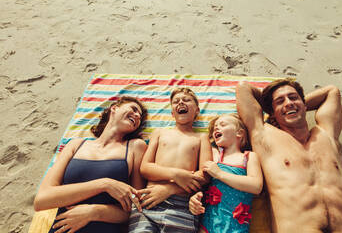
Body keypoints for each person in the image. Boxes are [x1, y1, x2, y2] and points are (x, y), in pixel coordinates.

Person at [236, 78, 342, 232]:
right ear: (271, 113)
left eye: (293, 97)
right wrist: (273, 106)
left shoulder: (327, 134)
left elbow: (331, 92)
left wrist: (297, 105)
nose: (288, 103)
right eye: (280, 101)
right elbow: (243, 88)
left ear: (304, 104)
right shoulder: (264, 136)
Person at [33, 96, 148, 233]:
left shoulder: (135, 147)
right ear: (114, 108)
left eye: (139, 116)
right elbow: (42, 200)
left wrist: (94, 212)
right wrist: (104, 184)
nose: (136, 115)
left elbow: (137, 207)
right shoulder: (75, 145)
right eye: (133, 109)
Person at [128, 87, 212, 233]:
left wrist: (170, 189)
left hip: (183, 204)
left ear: (197, 110)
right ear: (172, 113)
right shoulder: (159, 133)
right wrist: (175, 174)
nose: (181, 103)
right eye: (176, 101)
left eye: (186, 100)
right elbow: (145, 168)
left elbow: (205, 175)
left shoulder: (201, 138)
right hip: (150, 200)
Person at [189, 113, 263, 233]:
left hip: (237, 228)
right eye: (215, 128)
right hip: (207, 225)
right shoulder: (213, 156)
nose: (216, 128)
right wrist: (194, 198)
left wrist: (219, 174)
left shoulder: (248, 157)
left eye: (223, 124)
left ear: (239, 133)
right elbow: (202, 182)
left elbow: (256, 186)